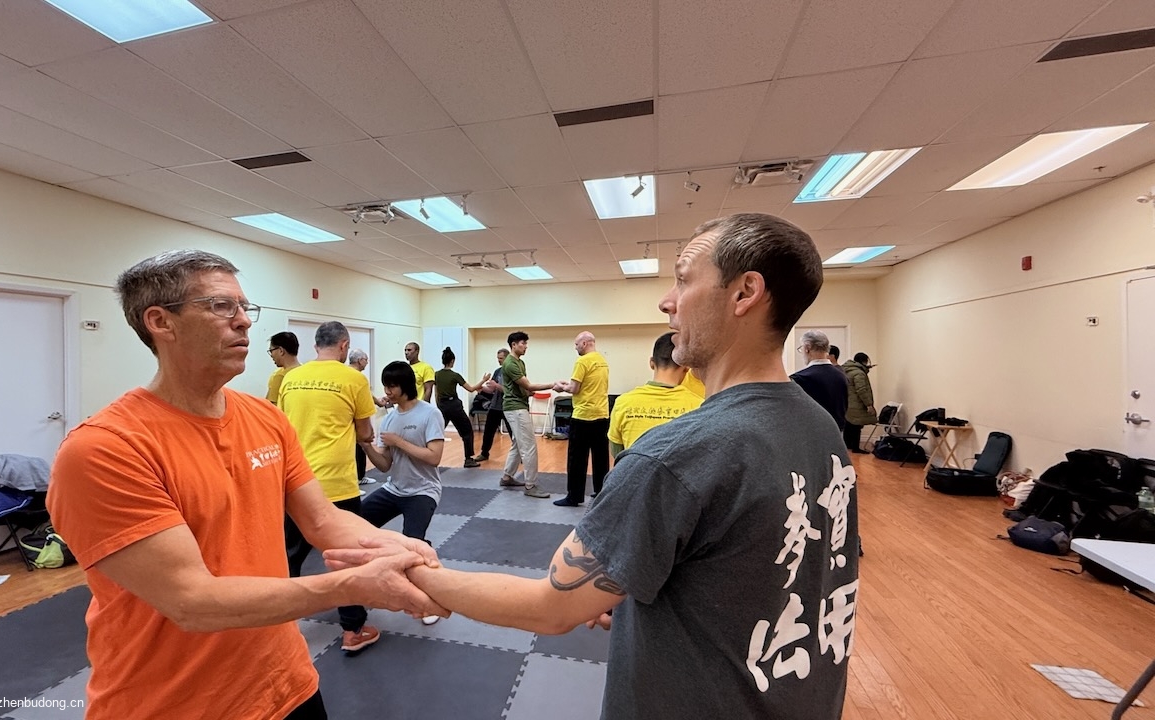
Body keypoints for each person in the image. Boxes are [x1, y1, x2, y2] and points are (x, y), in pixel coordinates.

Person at [330, 213, 859, 720]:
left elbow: (549, 607)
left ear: (745, 293)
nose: (666, 300)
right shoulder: (818, 426)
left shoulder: (677, 455)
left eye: (682, 280)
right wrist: (641, 579)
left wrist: (413, 571)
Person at [47, 249, 443, 720]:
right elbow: (192, 602)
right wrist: (349, 585)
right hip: (174, 705)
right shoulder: (105, 449)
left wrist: (401, 550)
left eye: (244, 307)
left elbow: (324, 520)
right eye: (221, 306)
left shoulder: (264, 418)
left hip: (287, 682)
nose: (244, 321)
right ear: (160, 321)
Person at [278, 321, 384, 654]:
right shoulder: (354, 379)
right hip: (336, 484)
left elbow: (282, 426)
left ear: (315, 346)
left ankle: (281, 628)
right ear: (344, 346)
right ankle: (353, 630)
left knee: (289, 556)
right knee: (345, 557)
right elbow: (365, 432)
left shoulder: (290, 378)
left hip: (295, 482)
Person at [358, 361, 448, 626]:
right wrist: (366, 446)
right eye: (385, 386)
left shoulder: (430, 414)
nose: (387, 391)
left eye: (392, 386)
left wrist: (398, 441)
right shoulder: (389, 418)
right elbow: (385, 465)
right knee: (356, 527)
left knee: (413, 546)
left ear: (405, 386)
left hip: (423, 491)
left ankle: (429, 600)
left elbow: (434, 457)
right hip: (394, 488)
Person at [606, 331, 702, 457]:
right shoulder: (698, 406)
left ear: (652, 363)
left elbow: (617, 454)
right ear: (686, 367)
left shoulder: (623, 403)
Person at [552, 331, 611, 507]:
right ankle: (601, 491)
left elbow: (574, 389)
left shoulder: (582, 361)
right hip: (602, 415)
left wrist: (560, 387)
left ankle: (574, 496)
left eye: (576, 344)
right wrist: (569, 385)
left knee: (577, 459)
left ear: (584, 343)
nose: (575, 347)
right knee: (601, 458)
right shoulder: (602, 360)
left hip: (583, 416)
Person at [498, 331, 557, 498]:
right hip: (515, 408)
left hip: (518, 406)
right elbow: (528, 385)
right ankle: (530, 485)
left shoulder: (520, 362)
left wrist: (528, 393)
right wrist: (553, 384)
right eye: (522, 343)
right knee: (529, 446)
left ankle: (507, 477)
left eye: (526, 343)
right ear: (513, 345)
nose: (525, 346)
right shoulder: (510, 363)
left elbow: (523, 388)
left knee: (518, 443)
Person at [433, 346, 488, 468]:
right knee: (467, 431)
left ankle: (428, 458)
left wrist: (439, 405)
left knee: (436, 432)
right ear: (452, 361)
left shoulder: (436, 374)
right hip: (454, 406)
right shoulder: (455, 375)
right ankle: (468, 459)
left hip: (442, 405)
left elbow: (436, 393)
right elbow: (471, 389)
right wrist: (483, 380)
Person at [790, 330, 849, 431]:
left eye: (801, 348)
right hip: (836, 432)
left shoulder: (799, 378)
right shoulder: (841, 375)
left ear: (807, 348)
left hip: (809, 433)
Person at [474, 348, 511, 461]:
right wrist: (482, 388)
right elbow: (492, 389)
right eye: (498, 358)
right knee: (488, 431)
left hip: (508, 406)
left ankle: (520, 455)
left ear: (507, 358)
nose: (499, 360)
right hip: (495, 406)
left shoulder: (511, 372)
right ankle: (484, 453)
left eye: (501, 358)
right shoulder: (497, 371)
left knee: (513, 432)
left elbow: (510, 391)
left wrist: (496, 386)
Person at [349, 348, 375, 483]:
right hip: (355, 419)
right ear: (360, 361)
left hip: (348, 419)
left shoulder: (346, 374)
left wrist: (378, 402)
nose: (367, 362)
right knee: (360, 445)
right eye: (366, 360)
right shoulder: (358, 377)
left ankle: (359, 476)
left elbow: (367, 394)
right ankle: (359, 477)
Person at [842, 352, 876, 454]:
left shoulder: (846, 370)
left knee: (849, 424)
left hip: (847, 402)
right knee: (857, 426)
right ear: (864, 361)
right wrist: (869, 404)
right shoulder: (859, 373)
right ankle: (855, 448)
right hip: (857, 403)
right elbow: (861, 390)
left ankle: (847, 445)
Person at [266, 331, 301, 405]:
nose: (271, 355)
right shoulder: (306, 372)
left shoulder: (279, 376)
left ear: (281, 351)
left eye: (271, 351)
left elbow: (270, 406)